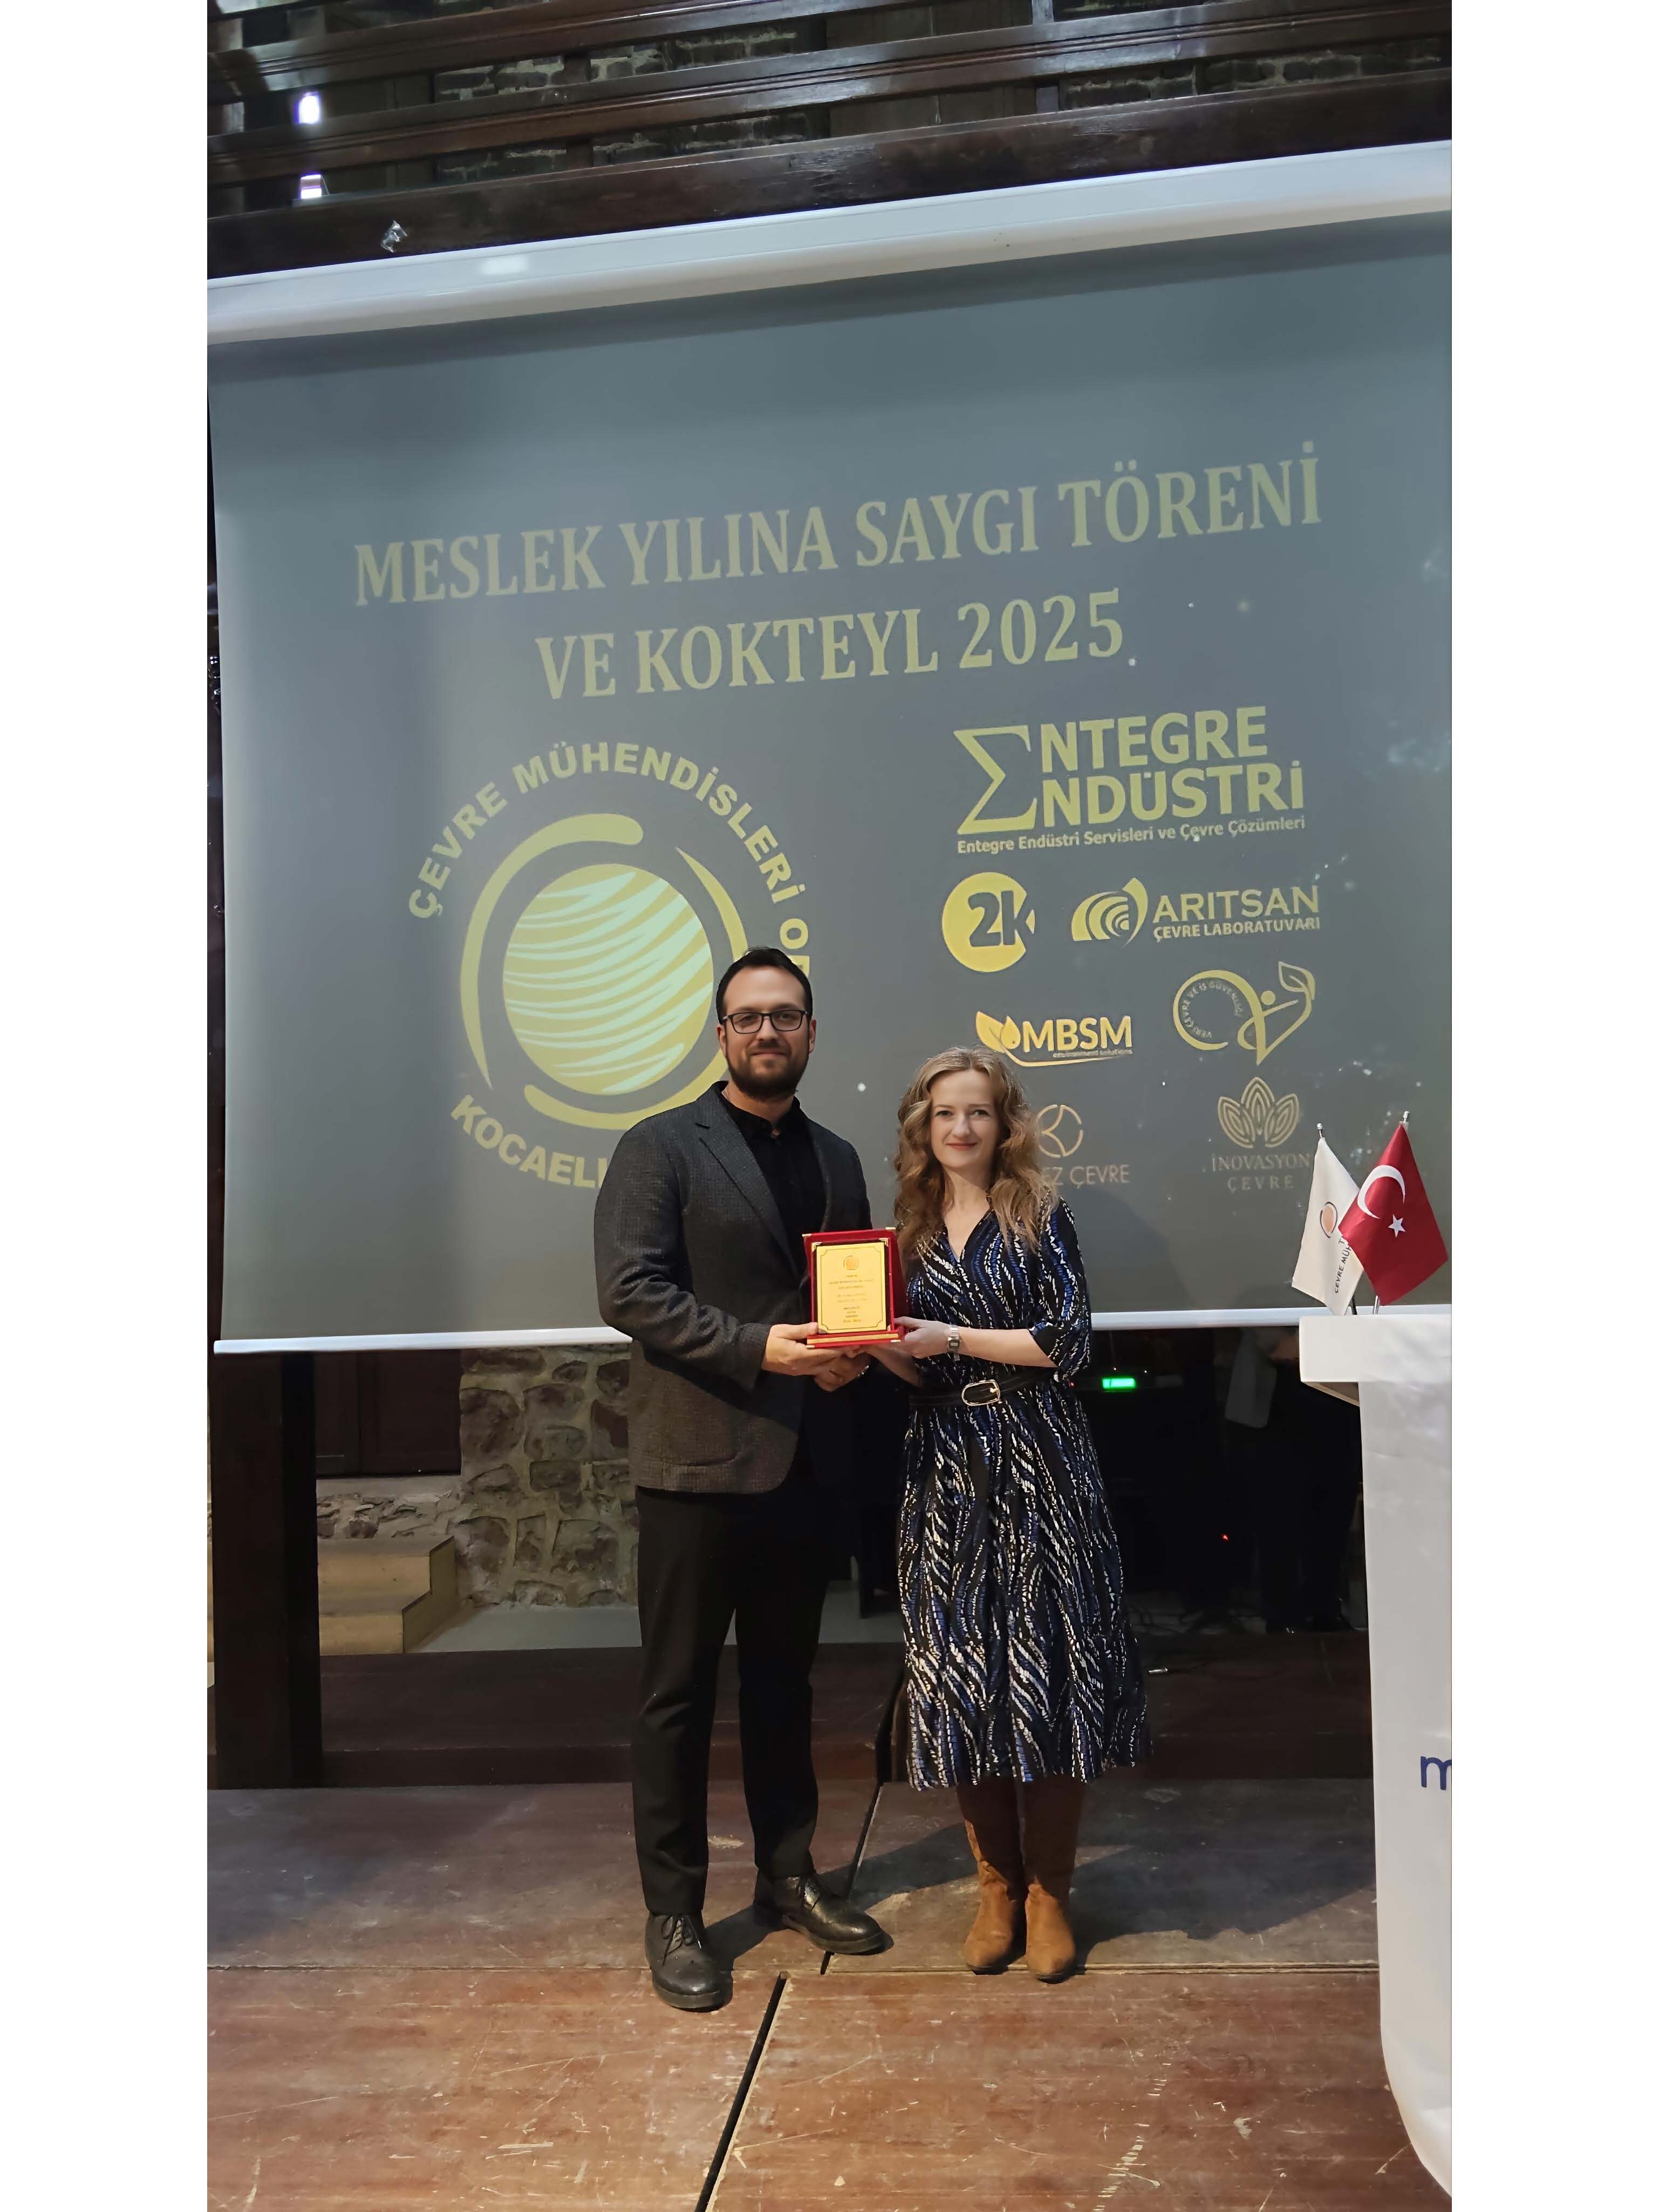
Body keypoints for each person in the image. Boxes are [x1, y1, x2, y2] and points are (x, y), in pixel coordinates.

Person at [593, 946, 887, 2011]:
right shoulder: (660, 1145)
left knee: (783, 1684)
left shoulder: (836, 1156)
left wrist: (851, 1354)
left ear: (811, 1032)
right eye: (749, 1017)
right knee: (674, 1696)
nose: (768, 1032)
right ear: (721, 1034)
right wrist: (761, 1349)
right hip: (694, 1464)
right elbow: (629, 1291)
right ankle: (673, 1911)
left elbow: (842, 1295)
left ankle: (785, 1874)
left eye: (787, 1015)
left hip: (803, 1462)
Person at [870, 1047, 1150, 1981]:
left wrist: (951, 1334)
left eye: (978, 1112)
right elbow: (920, 1369)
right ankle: (997, 1885)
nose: (961, 1128)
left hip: (1041, 1457)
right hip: (944, 1465)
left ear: (1005, 1125)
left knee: (1052, 1665)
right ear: (922, 1126)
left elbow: (1069, 1341)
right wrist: (874, 1346)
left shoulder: (1038, 1213)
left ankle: (1050, 1893)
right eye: (944, 1113)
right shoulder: (904, 1231)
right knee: (963, 1672)